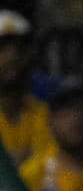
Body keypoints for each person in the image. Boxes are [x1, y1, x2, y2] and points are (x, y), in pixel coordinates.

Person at [0, 13, 52, 168]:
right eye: (2, 48)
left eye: (20, 49)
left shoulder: (45, 114)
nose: (12, 56)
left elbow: (49, 167)